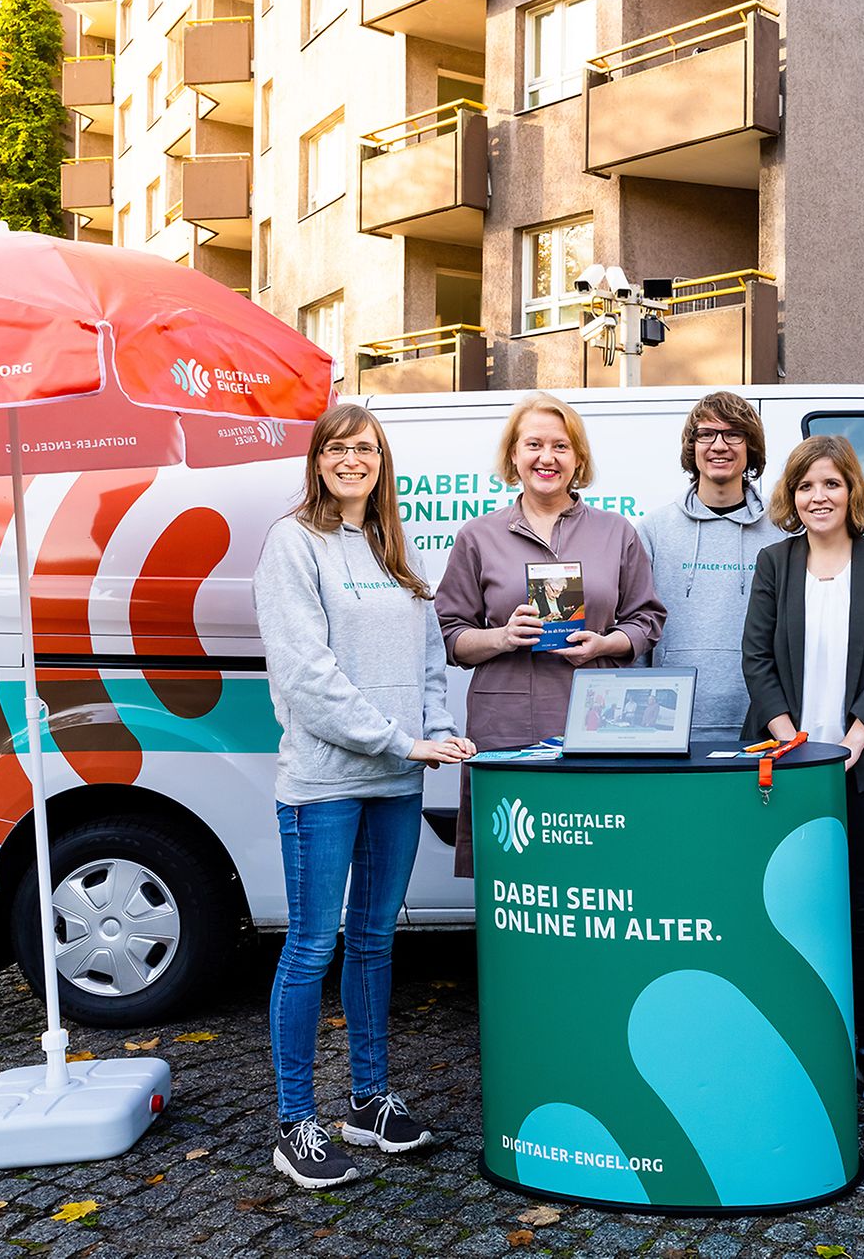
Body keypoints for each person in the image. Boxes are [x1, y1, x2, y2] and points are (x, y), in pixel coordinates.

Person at [253, 403, 478, 1189]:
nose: (354, 460)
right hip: (323, 785)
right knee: (311, 946)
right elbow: (306, 678)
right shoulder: (294, 543)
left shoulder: (394, 547)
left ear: (382, 463)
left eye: (368, 449)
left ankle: (368, 1101)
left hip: (395, 779)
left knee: (376, 940)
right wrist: (401, 740)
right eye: (340, 448)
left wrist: (439, 732)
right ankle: (294, 1122)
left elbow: (428, 664)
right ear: (318, 460)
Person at [742, 435, 864, 1103]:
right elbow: (755, 659)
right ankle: (796, 1037)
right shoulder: (774, 563)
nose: (819, 497)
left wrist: (851, 742)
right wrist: (794, 743)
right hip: (785, 770)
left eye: (832, 485)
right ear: (793, 494)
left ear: (852, 493)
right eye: (807, 485)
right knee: (787, 908)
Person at [435, 393, 666, 873]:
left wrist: (606, 644)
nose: (547, 457)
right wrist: (502, 636)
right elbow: (448, 634)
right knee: (516, 870)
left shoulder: (615, 532)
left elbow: (647, 621)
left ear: (578, 458)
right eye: (533, 444)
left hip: (598, 725)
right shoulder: (478, 536)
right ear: (513, 456)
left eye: (561, 446)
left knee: (596, 868)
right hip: (506, 728)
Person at [639, 391, 785, 737]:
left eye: (734, 433)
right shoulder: (653, 530)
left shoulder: (781, 532)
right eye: (707, 434)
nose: (719, 445)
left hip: (763, 725)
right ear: (693, 446)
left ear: (751, 446)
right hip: (670, 731)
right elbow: (638, 627)